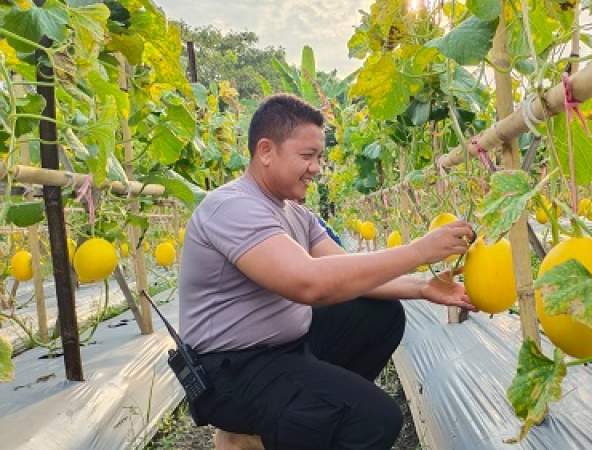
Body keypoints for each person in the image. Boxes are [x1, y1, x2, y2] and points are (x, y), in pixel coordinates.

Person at [179, 93, 475, 450]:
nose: (317, 168)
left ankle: (277, 431)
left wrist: (423, 287)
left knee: (378, 314)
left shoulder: (296, 214)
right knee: (375, 420)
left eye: (319, 157)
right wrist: (418, 251)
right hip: (231, 374)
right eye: (307, 156)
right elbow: (310, 283)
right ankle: (257, 427)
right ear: (266, 151)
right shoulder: (231, 207)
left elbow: (346, 273)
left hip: (282, 352)